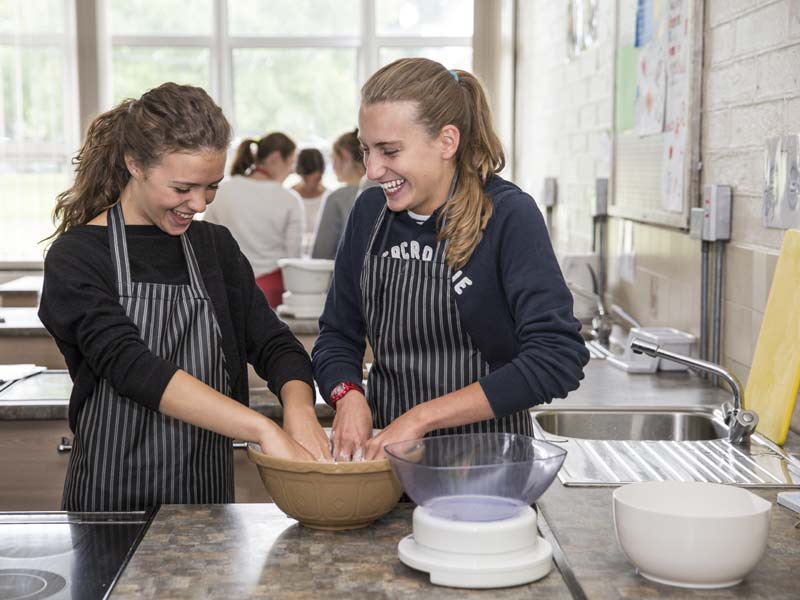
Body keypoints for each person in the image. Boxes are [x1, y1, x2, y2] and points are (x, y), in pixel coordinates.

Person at [39, 83, 331, 512]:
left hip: (206, 505)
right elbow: (130, 365)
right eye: (182, 188)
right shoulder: (78, 255)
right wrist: (263, 429)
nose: (199, 203)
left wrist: (300, 409)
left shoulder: (214, 247)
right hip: (110, 508)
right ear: (134, 164)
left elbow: (274, 344)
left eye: (211, 187)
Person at [312, 59, 590, 462]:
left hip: (489, 466)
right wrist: (348, 395)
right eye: (366, 150)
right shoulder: (369, 214)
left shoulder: (508, 215)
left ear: (447, 141)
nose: (372, 170)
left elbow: (557, 357)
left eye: (390, 151)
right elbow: (337, 335)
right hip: (389, 465)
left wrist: (421, 418)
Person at [204, 132, 304, 308]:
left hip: (225, 289)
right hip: (270, 294)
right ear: (275, 158)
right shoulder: (290, 200)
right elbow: (293, 258)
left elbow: (206, 241)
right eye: (291, 163)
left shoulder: (222, 191)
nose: (292, 170)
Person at [311, 129, 366, 259]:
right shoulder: (387, 193)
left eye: (333, 158)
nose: (333, 166)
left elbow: (321, 254)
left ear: (345, 156)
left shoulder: (336, 199)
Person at [291, 148, 327, 252]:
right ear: (299, 174)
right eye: (306, 179)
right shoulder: (290, 197)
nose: (311, 185)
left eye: (317, 179)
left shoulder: (329, 198)